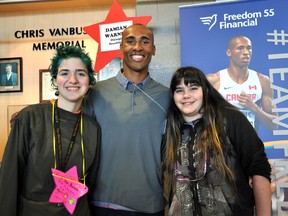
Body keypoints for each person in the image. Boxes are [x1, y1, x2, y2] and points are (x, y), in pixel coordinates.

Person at [0, 46, 100, 216]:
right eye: (65, 73)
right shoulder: (30, 118)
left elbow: (91, 182)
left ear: (89, 80)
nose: (73, 79)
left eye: (81, 73)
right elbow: (9, 178)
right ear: (54, 79)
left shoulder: (92, 128)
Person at [83, 24, 170, 215]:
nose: (137, 47)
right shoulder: (95, 93)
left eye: (145, 42)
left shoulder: (168, 97)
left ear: (153, 50)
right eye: (130, 41)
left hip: (151, 205)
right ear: (121, 48)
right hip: (102, 203)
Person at [163, 66, 271, 215]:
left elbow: (259, 169)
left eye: (193, 88)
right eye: (179, 90)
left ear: (205, 91)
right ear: (173, 96)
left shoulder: (231, 119)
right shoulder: (169, 129)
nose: (186, 95)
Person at [206, 35, 277, 131]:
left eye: (249, 48)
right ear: (229, 52)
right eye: (240, 48)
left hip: (250, 143)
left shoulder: (262, 81)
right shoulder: (213, 80)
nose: (246, 52)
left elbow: (274, 125)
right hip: (223, 143)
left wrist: (254, 108)